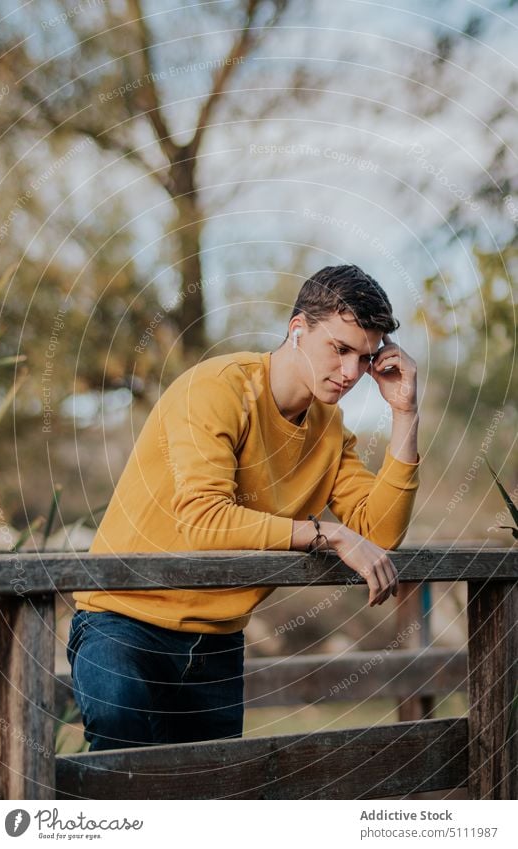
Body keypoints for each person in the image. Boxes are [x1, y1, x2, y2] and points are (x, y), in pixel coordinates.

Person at [67, 264, 420, 751]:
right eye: (339, 350)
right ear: (298, 330)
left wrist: (404, 412)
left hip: (218, 640)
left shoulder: (330, 430)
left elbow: (379, 531)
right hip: (125, 623)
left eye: (363, 358)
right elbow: (203, 518)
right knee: (121, 794)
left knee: (210, 806)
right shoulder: (217, 389)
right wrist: (330, 534)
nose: (350, 373)